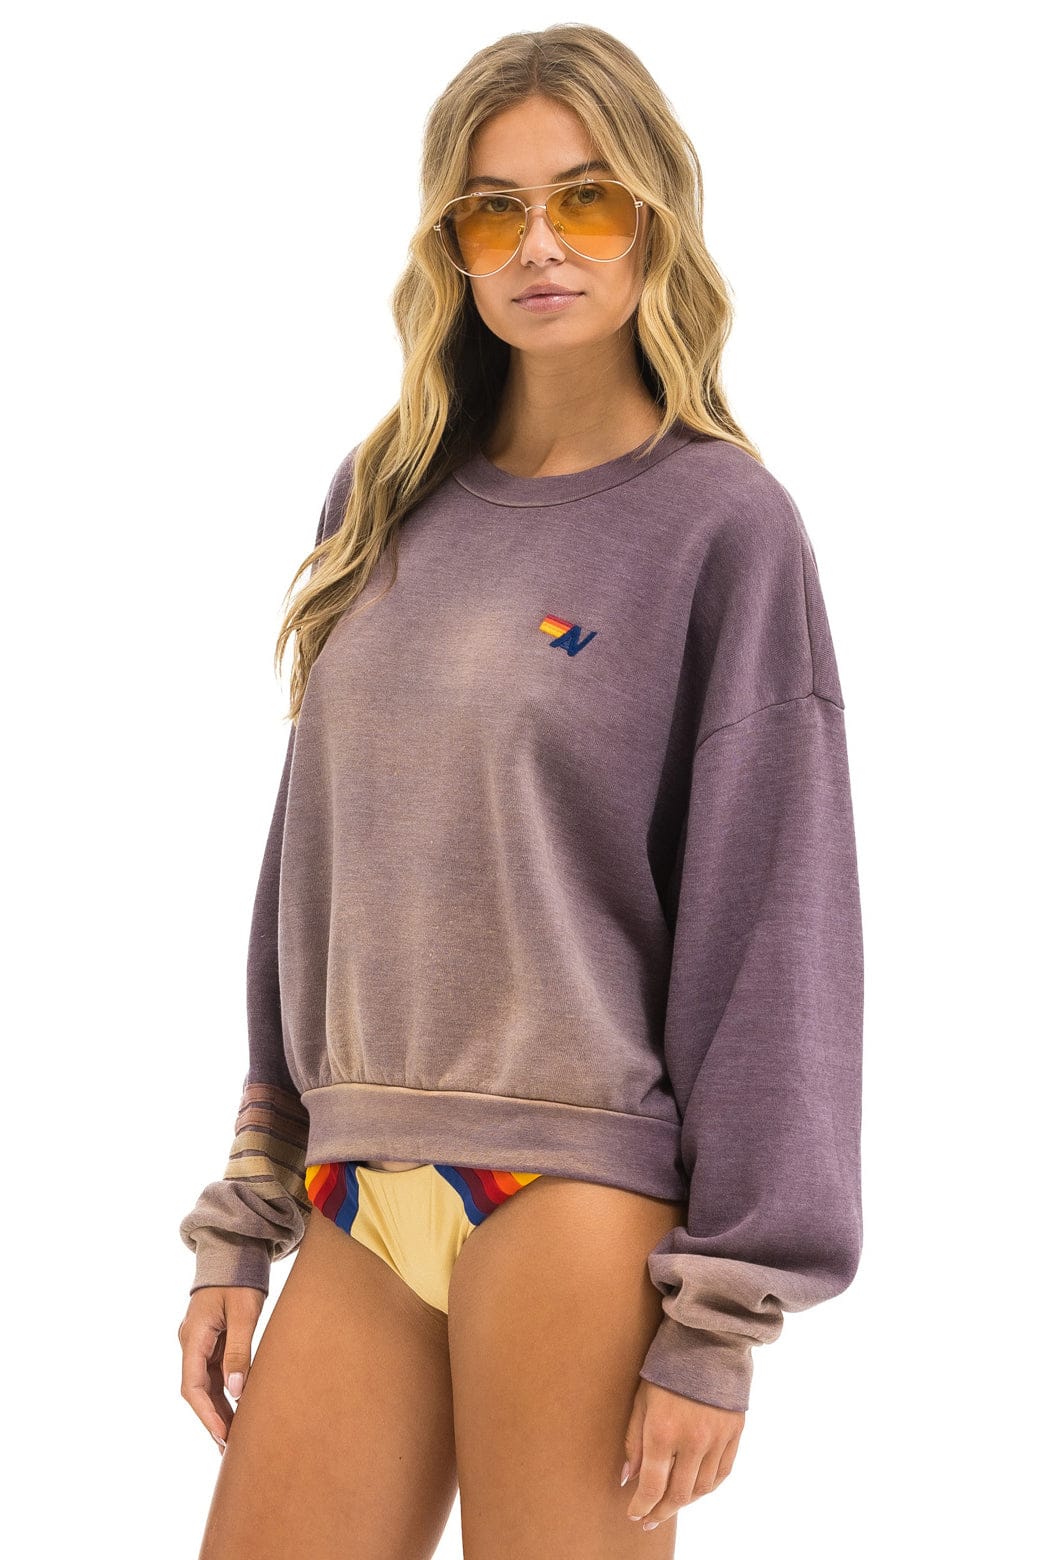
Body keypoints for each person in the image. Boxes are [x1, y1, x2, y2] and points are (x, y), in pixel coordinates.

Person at [176, 23, 864, 1560]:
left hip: (572, 1189)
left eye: (585, 198)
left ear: (656, 216)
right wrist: (243, 1214)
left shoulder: (722, 526)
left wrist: (720, 1320)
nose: (540, 244)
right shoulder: (382, 499)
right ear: (454, 247)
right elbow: (309, 874)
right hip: (358, 1184)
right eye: (494, 210)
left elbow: (776, 926)